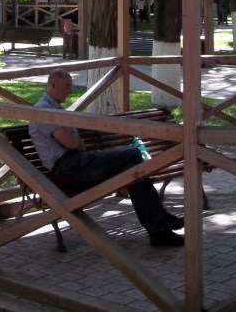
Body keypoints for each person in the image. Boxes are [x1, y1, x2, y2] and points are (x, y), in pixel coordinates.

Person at [29, 68, 185, 247]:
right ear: (53, 85)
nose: (70, 90)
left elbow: (73, 141)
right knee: (132, 154)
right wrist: (76, 142)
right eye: (67, 86)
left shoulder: (53, 109)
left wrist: (76, 142)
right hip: (68, 167)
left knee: (132, 171)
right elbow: (70, 143)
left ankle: (159, 231)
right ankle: (161, 224)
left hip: (77, 162)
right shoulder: (43, 110)